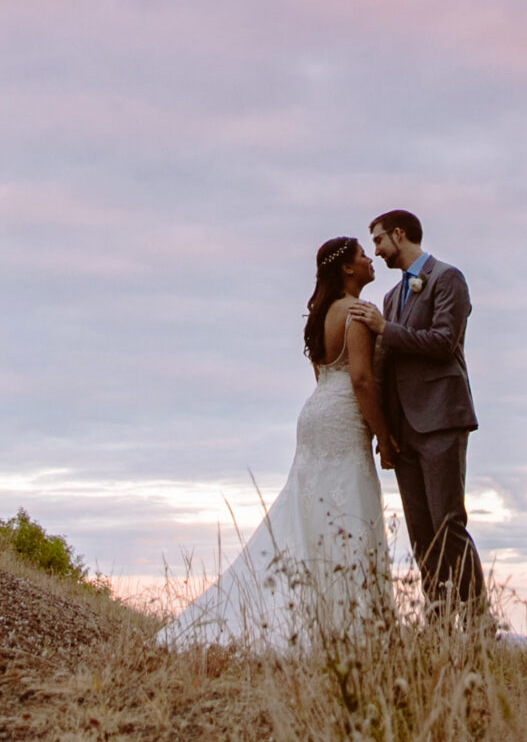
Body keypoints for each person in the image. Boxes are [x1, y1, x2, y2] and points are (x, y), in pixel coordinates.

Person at [157, 237, 397, 647]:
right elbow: (360, 380)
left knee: (311, 511)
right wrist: (385, 436)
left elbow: (325, 376)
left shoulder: (321, 315)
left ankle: (326, 616)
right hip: (342, 417)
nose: (369, 259)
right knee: (350, 510)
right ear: (346, 269)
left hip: (316, 413)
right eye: (361, 255)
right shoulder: (355, 314)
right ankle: (349, 628)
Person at [348, 209, 485, 618]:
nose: (375, 250)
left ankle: (478, 619)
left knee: (448, 524)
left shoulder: (448, 278)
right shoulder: (391, 298)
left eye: (377, 241)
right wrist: (384, 432)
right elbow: (386, 368)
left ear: (399, 233)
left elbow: (444, 342)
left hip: (442, 417)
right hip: (406, 429)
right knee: (421, 534)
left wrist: (383, 329)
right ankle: (439, 619)